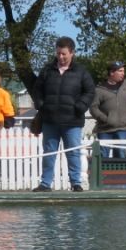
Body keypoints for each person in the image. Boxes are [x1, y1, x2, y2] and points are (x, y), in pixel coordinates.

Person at [31, 36, 95, 191]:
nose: (60, 57)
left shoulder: (81, 72)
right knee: (49, 153)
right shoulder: (47, 70)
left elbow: (90, 91)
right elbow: (37, 90)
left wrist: (79, 107)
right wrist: (41, 105)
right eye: (58, 53)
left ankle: (75, 183)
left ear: (72, 53)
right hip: (50, 120)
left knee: (73, 152)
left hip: (72, 121)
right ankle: (45, 183)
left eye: (64, 54)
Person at [90, 61, 126, 158]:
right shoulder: (99, 90)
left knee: (121, 154)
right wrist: (105, 119)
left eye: (123, 71)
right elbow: (93, 108)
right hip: (104, 130)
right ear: (112, 73)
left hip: (122, 128)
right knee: (102, 156)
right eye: (120, 71)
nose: (123, 73)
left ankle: (119, 174)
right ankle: (103, 174)